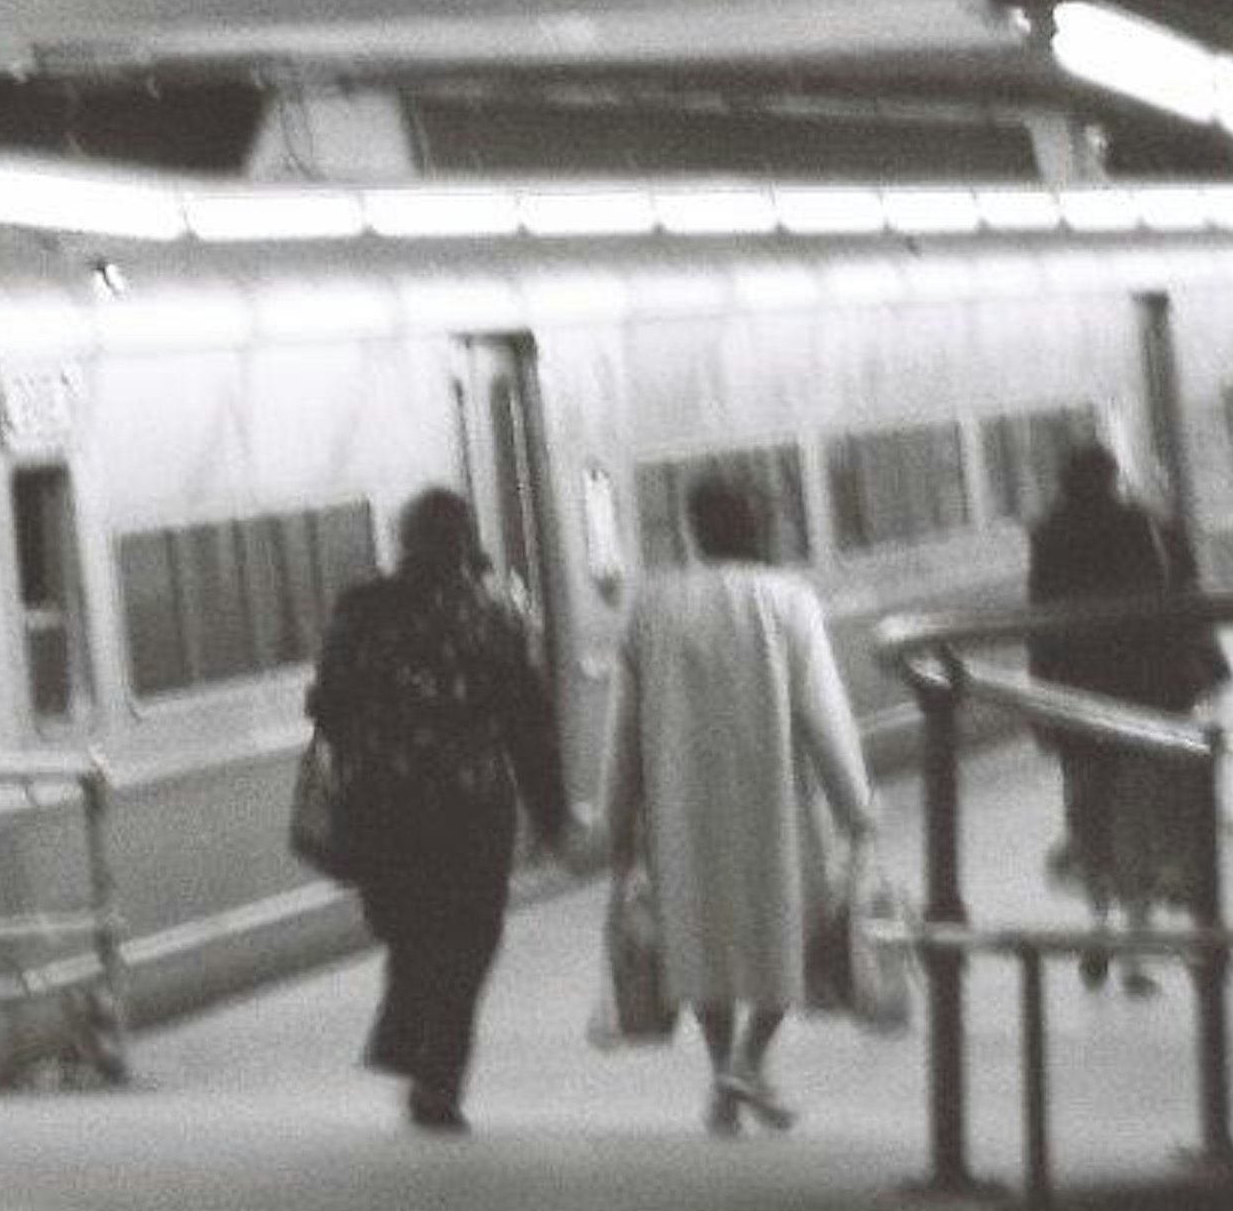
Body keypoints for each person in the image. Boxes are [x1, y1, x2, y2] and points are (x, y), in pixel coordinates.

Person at [601, 473, 876, 1136]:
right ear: (765, 528)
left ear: (694, 529)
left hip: (680, 806)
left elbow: (623, 729)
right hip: (773, 803)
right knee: (796, 932)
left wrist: (617, 820)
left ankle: (726, 1071)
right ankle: (747, 1062)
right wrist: (855, 805)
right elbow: (824, 712)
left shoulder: (650, 606)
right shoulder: (788, 601)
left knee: (701, 939)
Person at [305, 487, 568, 1134]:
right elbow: (528, 723)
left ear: (404, 539)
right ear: (464, 544)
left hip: (381, 806)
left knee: (413, 929)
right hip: (470, 807)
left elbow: (327, 704)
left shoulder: (360, 611)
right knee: (468, 938)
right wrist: (552, 813)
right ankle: (436, 1079)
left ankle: (404, 1037)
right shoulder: (489, 618)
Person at [1026, 441, 1226, 993]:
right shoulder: (1144, 526)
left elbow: (1041, 628)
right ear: (1115, 477)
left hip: (1077, 708)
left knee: (1090, 821)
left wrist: (1043, 711)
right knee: (1136, 825)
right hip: (1144, 703)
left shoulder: (1048, 535)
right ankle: (1135, 951)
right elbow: (1179, 601)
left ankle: (1102, 926)